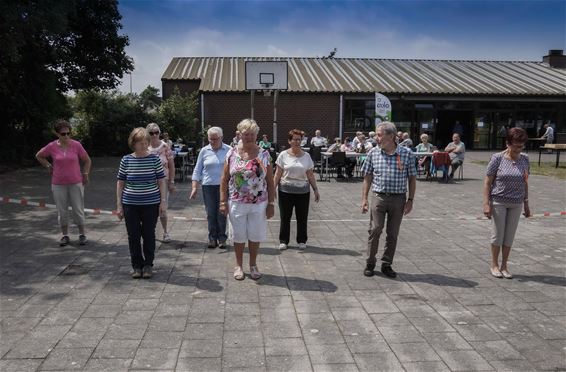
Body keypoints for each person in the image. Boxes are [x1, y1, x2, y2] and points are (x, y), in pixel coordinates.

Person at [220, 119, 275, 281]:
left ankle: (253, 265)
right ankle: (238, 265)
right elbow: (224, 179)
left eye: (252, 134)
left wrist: (271, 204)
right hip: (237, 202)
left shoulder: (264, 155)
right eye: (246, 134)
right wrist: (223, 202)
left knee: (255, 235)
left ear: (256, 135)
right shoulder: (231, 153)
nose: (249, 137)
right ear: (240, 135)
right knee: (238, 235)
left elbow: (270, 182)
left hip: (259, 204)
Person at [361, 121, 416, 278]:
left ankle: (387, 264)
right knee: (375, 229)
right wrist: (364, 198)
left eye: (379, 135)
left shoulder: (406, 153)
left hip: (399, 199)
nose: (376, 138)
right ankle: (370, 263)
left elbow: (412, 178)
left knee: (392, 233)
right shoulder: (373, 153)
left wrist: (410, 200)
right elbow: (367, 177)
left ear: (391, 136)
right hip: (379, 197)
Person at [116, 127, 167, 279]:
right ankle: (136, 266)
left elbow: (161, 181)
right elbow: (120, 183)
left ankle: (148, 265)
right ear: (133, 143)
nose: (144, 145)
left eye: (146, 142)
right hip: (130, 203)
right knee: (133, 236)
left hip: (150, 203)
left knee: (149, 234)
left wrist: (162, 201)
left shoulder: (154, 159)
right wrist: (119, 205)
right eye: (140, 143)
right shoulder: (126, 160)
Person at [482, 127, 531, 279]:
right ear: (508, 143)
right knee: (498, 234)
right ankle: (494, 264)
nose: (519, 149)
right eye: (516, 145)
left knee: (509, 235)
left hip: (517, 203)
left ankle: (504, 265)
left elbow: (525, 182)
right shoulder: (497, 158)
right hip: (499, 201)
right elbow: (487, 182)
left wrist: (527, 203)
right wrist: (486, 203)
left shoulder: (525, 159)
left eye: (522, 146)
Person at [36, 120, 92, 246]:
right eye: (63, 134)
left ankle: (82, 234)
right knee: (62, 210)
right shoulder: (51, 146)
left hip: (76, 182)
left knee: (78, 209)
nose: (66, 136)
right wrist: (48, 165)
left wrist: (85, 174)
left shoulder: (77, 145)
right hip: (58, 183)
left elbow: (87, 160)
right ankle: (65, 235)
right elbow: (39, 155)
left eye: (68, 133)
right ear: (57, 134)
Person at [274, 129, 320, 251]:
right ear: (289, 141)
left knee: (302, 217)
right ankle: (283, 240)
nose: (297, 142)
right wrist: (272, 189)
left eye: (299, 139)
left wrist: (315, 189)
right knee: (285, 217)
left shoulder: (307, 156)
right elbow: (278, 174)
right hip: (285, 191)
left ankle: (302, 240)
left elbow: (310, 174)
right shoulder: (283, 155)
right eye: (295, 139)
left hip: (302, 191)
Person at [190, 127, 231, 248]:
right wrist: (194, 187)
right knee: (211, 213)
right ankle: (212, 238)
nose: (212, 141)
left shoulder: (229, 150)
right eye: (210, 139)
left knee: (222, 213)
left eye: (215, 139)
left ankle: (222, 238)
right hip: (208, 186)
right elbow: (197, 169)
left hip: (223, 186)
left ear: (221, 138)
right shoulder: (204, 150)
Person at [147, 123, 175, 242]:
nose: (154, 135)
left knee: (162, 207)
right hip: (148, 182)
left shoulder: (165, 147)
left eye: (157, 132)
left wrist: (171, 182)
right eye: (151, 133)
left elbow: (172, 166)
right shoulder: (144, 147)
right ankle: (150, 231)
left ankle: (165, 232)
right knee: (149, 208)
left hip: (163, 181)